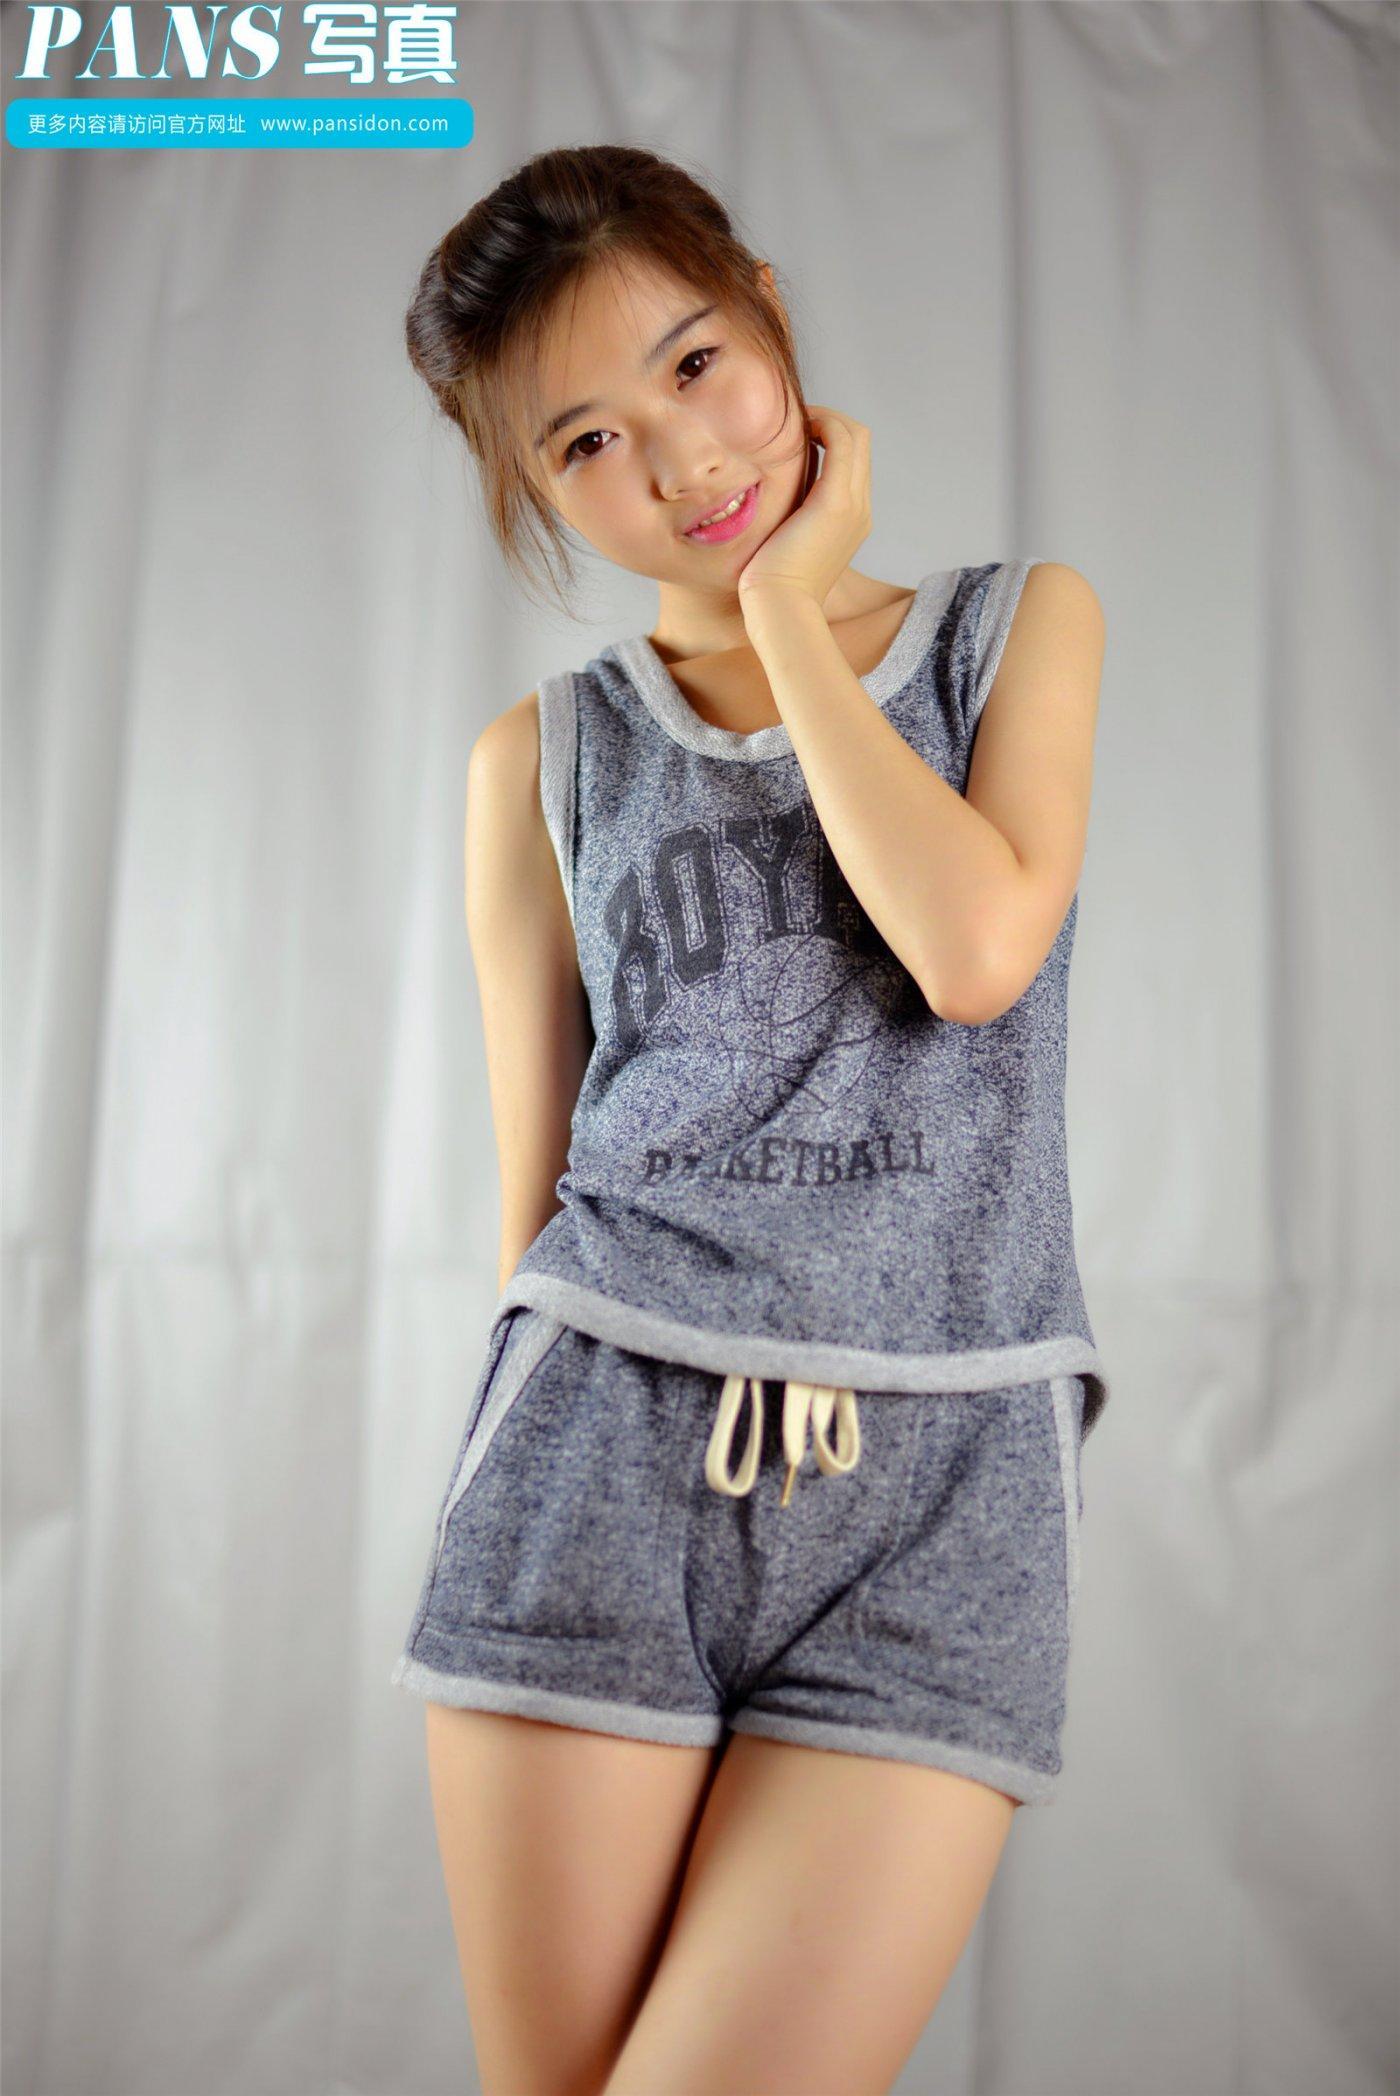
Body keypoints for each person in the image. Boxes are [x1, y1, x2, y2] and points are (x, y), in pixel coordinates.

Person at [391, 142, 1108, 2095]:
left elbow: (975, 950)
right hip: (597, 1455)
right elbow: (537, 1191)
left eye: (696, 365)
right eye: (588, 445)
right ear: (534, 487)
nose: (683, 462)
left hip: (941, 1472)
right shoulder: (542, 758)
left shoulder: (1014, 630)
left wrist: (787, 607)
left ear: (767, 309)